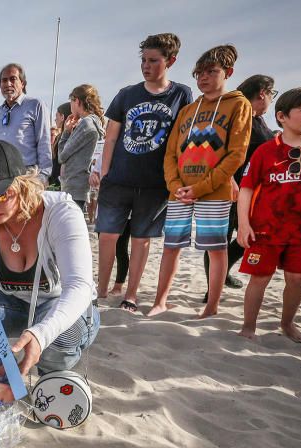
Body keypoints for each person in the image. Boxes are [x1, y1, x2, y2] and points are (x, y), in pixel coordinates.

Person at [0, 140, 100, 376]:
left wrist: (41, 333)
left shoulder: (61, 212)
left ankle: (50, 380)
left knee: (60, 340)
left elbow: (79, 286)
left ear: (21, 184)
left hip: (63, 305)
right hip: (13, 304)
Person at [93, 33, 193, 313]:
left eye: (153, 60)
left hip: (154, 184)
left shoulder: (182, 94)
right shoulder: (127, 94)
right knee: (108, 236)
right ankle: (101, 290)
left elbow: (182, 138)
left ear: (170, 61)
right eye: (143, 60)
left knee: (141, 239)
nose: (146, 66)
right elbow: (111, 137)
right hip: (118, 180)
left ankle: (132, 295)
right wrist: (105, 173)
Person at [149, 44, 252, 319]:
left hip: (214, 191)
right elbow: (171, 152)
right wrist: (175, 186)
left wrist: (201, 187)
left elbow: (236, 154)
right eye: (198, 73)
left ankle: (211, 306)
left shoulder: (238, 104)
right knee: (171, 246)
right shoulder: (187, 111)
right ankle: (160, 301)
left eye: (211, 72)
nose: (203, 78)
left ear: (228, 72)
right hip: (180, 191)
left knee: (216, 249)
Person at [236, 87, 301, 342]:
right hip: (265, 229)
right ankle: (249, 326)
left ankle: (288, 323)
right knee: (260, 278)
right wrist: (243, 224)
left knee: (297, 279)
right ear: (282, 116)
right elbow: (246, 188)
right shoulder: (265, 150)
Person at [202, 74, 277, 302]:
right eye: (273, 94)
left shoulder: (258, 119)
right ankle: (212, 289)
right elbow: (213, 150)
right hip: (228, 187)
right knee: (220, 239)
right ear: (262, 93)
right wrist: (229, 181)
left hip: (253, 190)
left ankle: (222, 274)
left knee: (249, 235)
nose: (272, 100)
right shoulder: (235, 115)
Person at [0, 63, 53, 181]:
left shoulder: (36, 105)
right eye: (4, 80)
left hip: (27, 175)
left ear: (23, 83)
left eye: (13, 79)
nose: (8, 84)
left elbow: (44, 141)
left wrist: (44, 176)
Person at [56, 84, 105, 211]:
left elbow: (62, 156)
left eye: (71, 101)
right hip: (84, 185)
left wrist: (66, 132)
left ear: (76, 100)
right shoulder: (96, 122)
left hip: (75, 186)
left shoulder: (86, 123)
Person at [49, 101, 71, 187]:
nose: (55, 119)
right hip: (55, 180)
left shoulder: (65, 138)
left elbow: (59, 162)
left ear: (62, 117)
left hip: (58, 182)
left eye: (56, 116)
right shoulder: (60, 136)